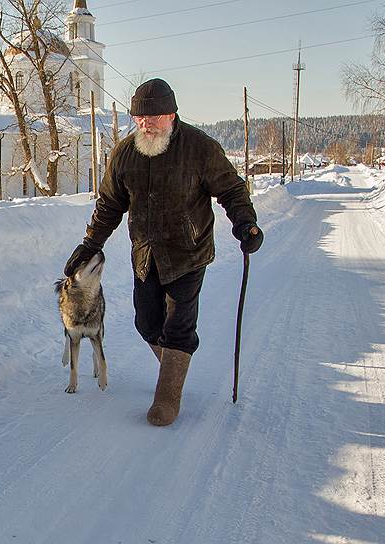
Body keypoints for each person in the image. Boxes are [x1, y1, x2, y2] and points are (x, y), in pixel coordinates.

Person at [64, 78, 263, 426]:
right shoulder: (126, 153)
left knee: (178, 327)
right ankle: (175, 362)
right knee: (146, 322)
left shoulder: (200, 148)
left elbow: (232, 190)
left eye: (154, 116)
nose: (147, 123)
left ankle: (168, 396)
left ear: (172, 114)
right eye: (140, 117)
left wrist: (245, 224)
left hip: (188, 252)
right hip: (146, 255)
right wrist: (90, 244)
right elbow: (110, 204)